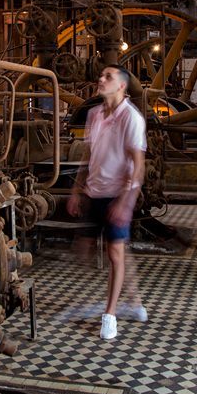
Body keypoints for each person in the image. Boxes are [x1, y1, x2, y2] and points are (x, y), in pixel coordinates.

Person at [67, 64, 147, 340]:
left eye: (108, 77)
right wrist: (78, 191)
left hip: (117, 195)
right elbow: (87, 155)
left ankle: (109, 316)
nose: (100, 79)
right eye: (101, 75)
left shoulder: (131, 118)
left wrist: (125, 202)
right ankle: (135, 303)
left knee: (114, 254)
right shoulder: (94, 114)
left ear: (122, 86)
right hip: (95, 193)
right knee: (90, 251)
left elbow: (138, 166)